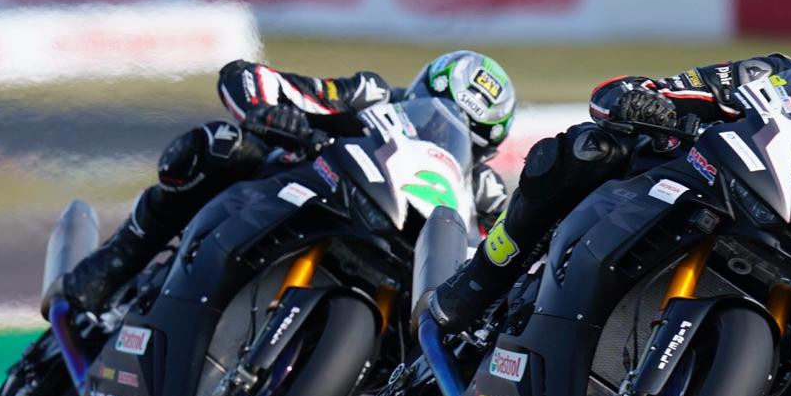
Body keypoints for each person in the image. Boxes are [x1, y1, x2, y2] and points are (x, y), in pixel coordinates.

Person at [430, 36, 791, 396]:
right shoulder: (770, 80)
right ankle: (479, 279)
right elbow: (628, 93)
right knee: (587, 149)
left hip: (790, 271)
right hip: (700, 186)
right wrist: (652, 103)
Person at [55, 50, 517, 317]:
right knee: (220, 144)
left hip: (397, 257)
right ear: (417, 94)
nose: (440, 134)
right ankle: (117, 261)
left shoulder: (484, 190)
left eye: (464, 135)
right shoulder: (370, 96)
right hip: (298, 189)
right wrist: (268, 111)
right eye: (435, 112)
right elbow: (257, 79)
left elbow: (502, 254)